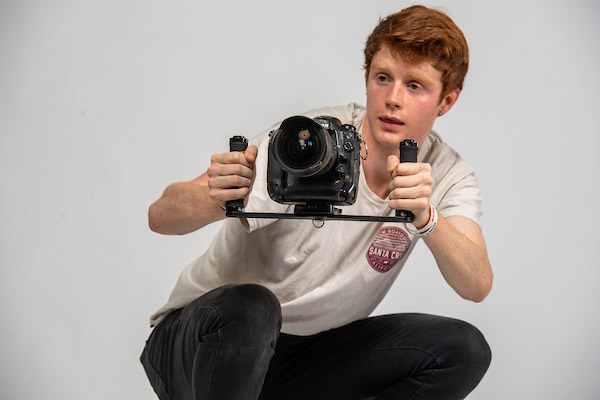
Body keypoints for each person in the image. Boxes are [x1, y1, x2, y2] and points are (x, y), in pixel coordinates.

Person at [141, 5, 493, 400]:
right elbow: (160, 215)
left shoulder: (447, 172)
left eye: (415, 86)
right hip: (201, 343)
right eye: (383, 78)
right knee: (255, 306)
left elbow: (476, 283)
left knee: (461, 348)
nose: (393, 98)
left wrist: (427, 218)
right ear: (366, 79)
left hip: (296, 362)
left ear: (446, 101)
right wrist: (216, 197)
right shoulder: (309, 140)